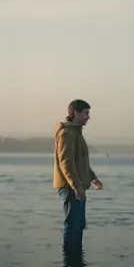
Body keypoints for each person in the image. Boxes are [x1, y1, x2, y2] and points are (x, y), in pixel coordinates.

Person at [53, 99, 104, 250]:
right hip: (70, 187)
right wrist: (76, 187)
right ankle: (71, 262)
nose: (88, 117)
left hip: (77, 186)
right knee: (73, 225)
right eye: (86, 113)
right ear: (75, 113)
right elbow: (66, 163)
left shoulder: (76, 133)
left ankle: (76, 262)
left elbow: (80, 161)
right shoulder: (67, 134)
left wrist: (93, 178)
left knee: (79, 225)